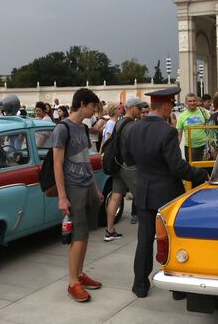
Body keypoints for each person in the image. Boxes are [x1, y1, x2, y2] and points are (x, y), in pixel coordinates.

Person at [124, 87, 208, 298]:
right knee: (170, 241)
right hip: (167, 194)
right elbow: (177, 167)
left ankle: (140, 285)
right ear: (167, 106)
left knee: (144, 240)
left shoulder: (132, 129)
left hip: (143, 191)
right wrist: (200, 174)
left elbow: (129, 160)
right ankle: (177, 290)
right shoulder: (166, 131)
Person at [52, 88, 104, 303]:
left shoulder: (82, 128)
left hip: (86, 186)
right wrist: (62, 197)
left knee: (85, 235)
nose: (94, 111)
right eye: (93, 107)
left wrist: (95, 190)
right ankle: (73, 282)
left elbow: (85, 161)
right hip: (73, 188)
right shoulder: (62, 129)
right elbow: (58, 164)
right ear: (82, 103)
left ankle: (80, 274)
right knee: (79, 236)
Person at [104, 97, 146, 242]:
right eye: (139, 108)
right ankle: (149, 230)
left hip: (118, 164)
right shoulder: (132, 125)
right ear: (131, 107)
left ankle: (109, 230)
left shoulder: (119, 123)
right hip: (129, 165)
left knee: (116, 196)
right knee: (143, 196)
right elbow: (135, 147)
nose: (140, 111)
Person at [177, 93, 210, 162]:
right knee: (192, 170)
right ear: (186, 103)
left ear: (197, 101)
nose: (192, 103)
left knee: (204, 170)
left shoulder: (204, 112)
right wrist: (176, 148)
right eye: (190, 101)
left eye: (194, 101)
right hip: (189, 148)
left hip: (204, 147)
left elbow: (214, 121)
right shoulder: (181, 116)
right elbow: (179, 135)